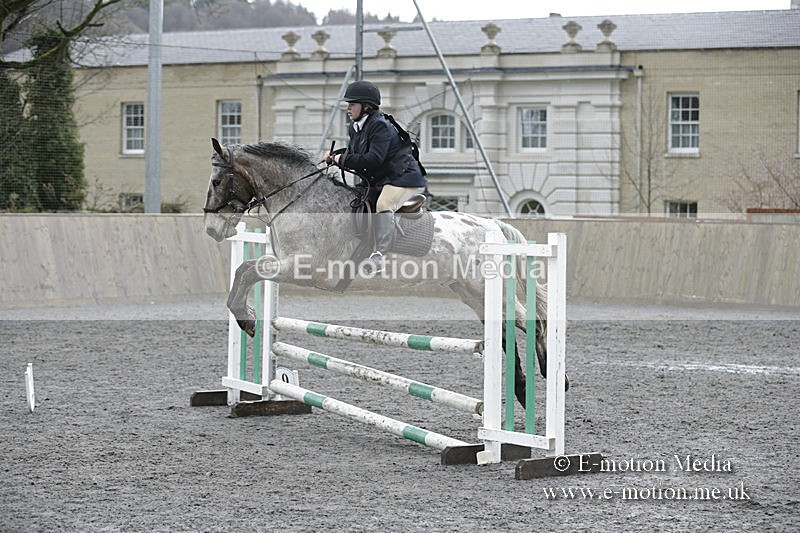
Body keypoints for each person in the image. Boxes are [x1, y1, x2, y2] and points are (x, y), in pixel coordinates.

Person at [325, 80, 427, 274]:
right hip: (382, 178)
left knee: (383, 205)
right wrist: (335, 156)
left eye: (352, 104)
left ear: (366, 107)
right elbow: (355, 151)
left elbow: (373, 159)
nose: (348, 108)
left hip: (403, 178)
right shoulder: (356, 126)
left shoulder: (380, 125)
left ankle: (380, 256)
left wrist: (342, 159)